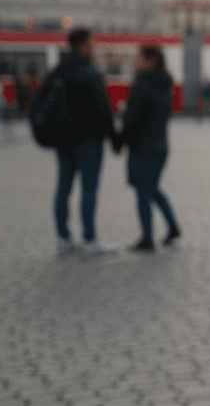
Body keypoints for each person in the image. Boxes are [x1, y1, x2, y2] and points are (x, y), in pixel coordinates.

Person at [42, 29, 119, 256]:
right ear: (84, 44)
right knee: (89, 189)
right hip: (89, 140)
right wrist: (114, 139)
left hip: (63, 140)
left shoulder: (57, 71)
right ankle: (89, 238)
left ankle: (63, 238)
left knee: (63, 187)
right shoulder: (90, 73)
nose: (93, 47)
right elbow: (103, 110)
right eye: (92, 43)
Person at [113, 45, 181, 252]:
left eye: (138, 58)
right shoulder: (165, 84)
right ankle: (173, 227)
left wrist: (119, 142)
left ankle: (147, 238)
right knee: (152, 188)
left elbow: (132, 120)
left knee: (144, 190)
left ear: (150, 60)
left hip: (142, 146)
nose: (134, 62)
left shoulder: (141, 84)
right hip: (160, 144)